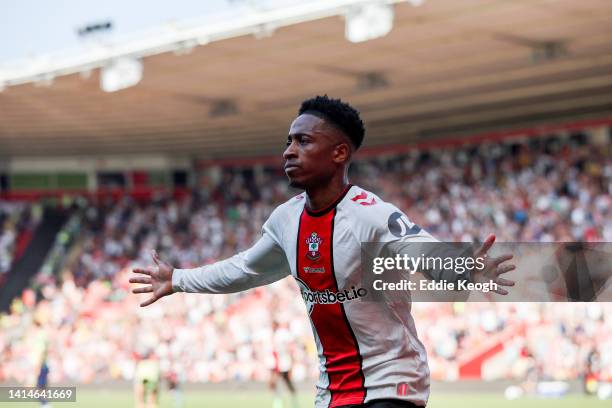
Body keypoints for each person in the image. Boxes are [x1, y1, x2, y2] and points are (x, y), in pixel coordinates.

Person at [130, 95, 515, 408]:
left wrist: (466, 268)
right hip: (331, 393)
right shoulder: (286, 221)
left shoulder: (372, 216)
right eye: (288, 141)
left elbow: (425, 252)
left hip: (391, 386)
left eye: (303, 141)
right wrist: (179, 279)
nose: (289, 151)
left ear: (339, 153)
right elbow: (245, 269)